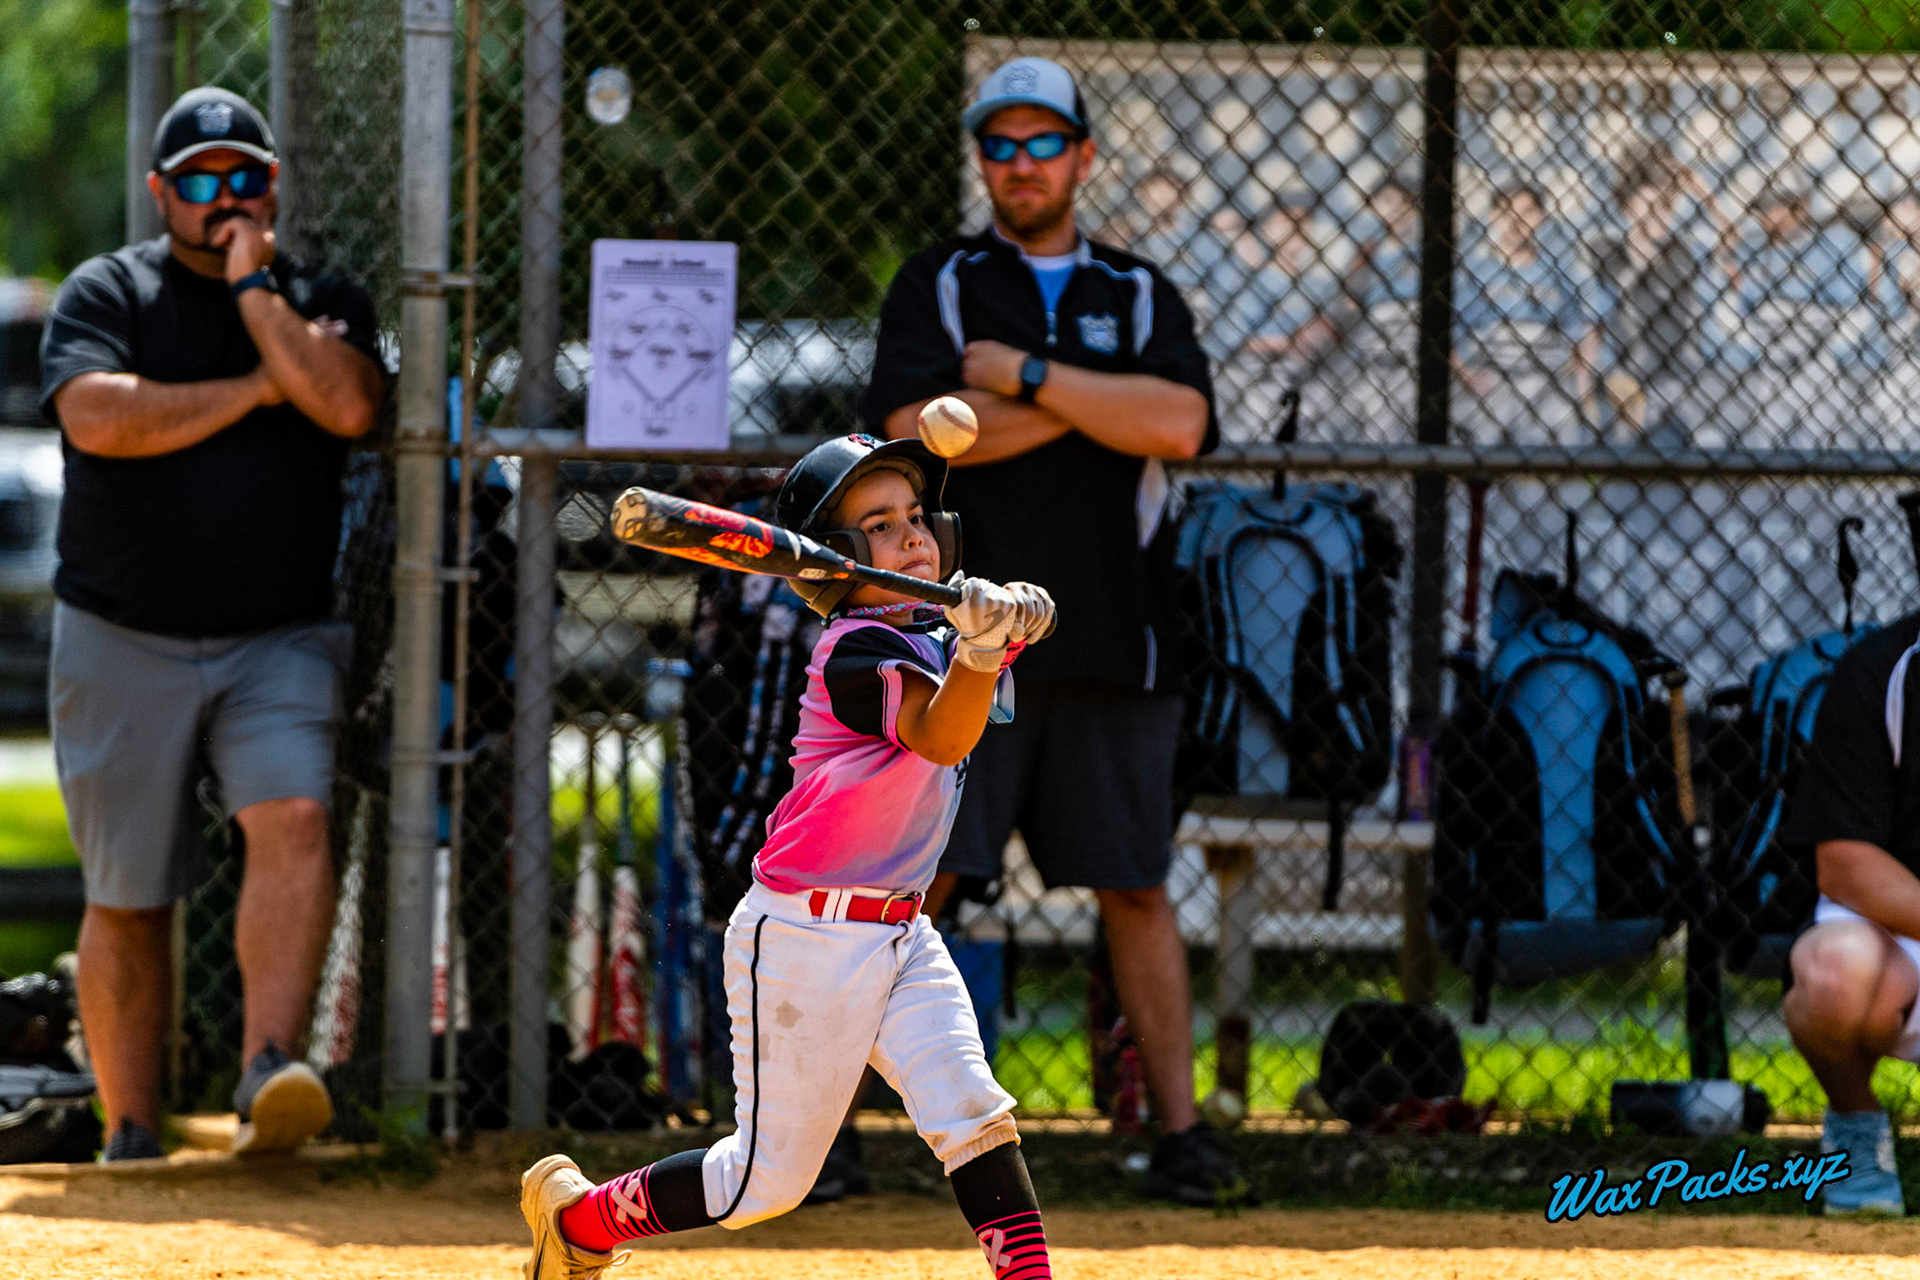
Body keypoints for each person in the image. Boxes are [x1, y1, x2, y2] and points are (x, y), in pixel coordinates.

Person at [519, 434, 1059, 1280]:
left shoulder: (932, 634)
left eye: (916, 517)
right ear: (834, 562)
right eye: (878, 526)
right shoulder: (854, 649)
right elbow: (938, 731)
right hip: (806, 937)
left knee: (973, 1112)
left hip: (901, 934)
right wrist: (988, 648)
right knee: (759, 1186)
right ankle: (580, 1223)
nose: (913, 537)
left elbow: (977, 688)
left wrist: (1005, 629)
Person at [860, 56, 1244, 1206]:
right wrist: (1092, 408)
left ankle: (1181, 1136)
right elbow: (912, 434)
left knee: (1135, 883)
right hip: (959, 642)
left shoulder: (1136, 290)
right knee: (916, 876)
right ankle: (829, 1126)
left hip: (1113, 638)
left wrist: (1020, 379)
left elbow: (1177, 421)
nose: (1021, 166)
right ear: (983, 160)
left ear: (1082, 155)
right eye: (1001, 146)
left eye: (1043, 144)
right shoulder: (940, 280)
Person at [37, 86, 384, 1160]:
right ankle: (131, 1125)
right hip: (120, 629)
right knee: (129, 890)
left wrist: (256, 295)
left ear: (272, 186)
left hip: (275, 634)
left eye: (244, 177)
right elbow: (99, 417)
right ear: (160, 193)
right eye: (199, 182)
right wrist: (251, 387)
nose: (223, 198)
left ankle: (267, 1077)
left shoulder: (319, 293)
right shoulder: (109, 290)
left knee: (296, 819)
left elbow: (349, 407)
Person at [1776, 611, 1920, 1217]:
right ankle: (1856, 1129)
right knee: (1836, 973)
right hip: (1900, 930)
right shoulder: (1883, 668)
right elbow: (1845, 865)